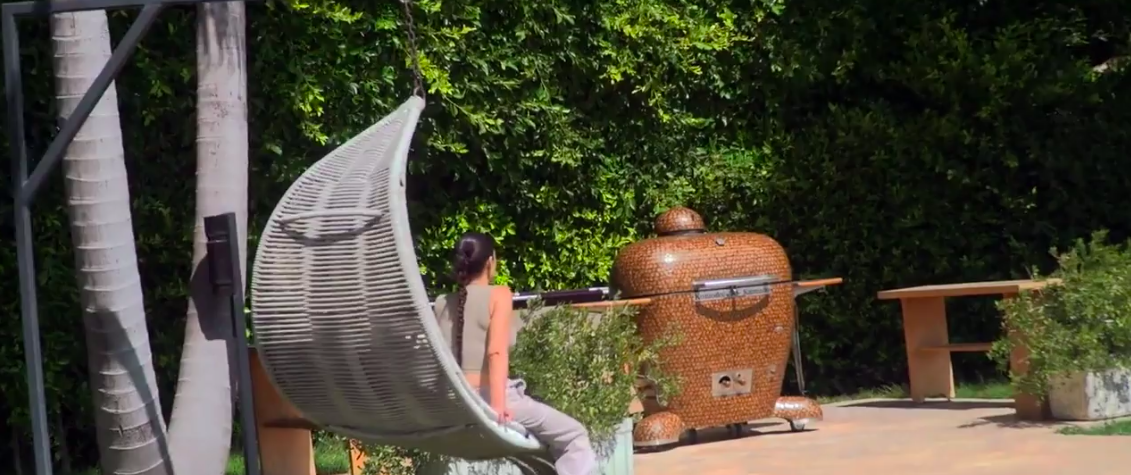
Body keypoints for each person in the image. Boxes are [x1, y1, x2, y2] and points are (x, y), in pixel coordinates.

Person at [433, 232, 598, 475]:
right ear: (490, 261)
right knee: (574, 436)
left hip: (456, 404)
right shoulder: (498, 294)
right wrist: (498, 406)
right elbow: (496, 352)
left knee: (542, 452)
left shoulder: (441, 302)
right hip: (492, 402)